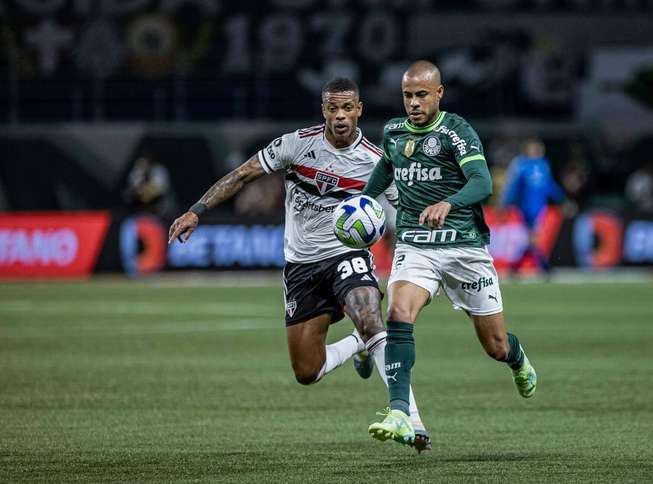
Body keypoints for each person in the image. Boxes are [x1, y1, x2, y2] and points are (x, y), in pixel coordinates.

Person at [168, 78, 432, 452]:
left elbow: (405, 214)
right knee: (307, 371)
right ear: (323, 110)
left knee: (368, 311)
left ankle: (410, 418)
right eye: (332, 108)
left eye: (347, 108)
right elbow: (243, 174)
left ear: (359, 110)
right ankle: (360, 343)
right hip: (301, 267)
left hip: (347, 254)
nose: (339, 116)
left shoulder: (376, 162)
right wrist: (197, 210)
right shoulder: (295, 144)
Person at [362, 61, 538, 446]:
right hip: (415, 243)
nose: (413, 103)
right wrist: (362, 201)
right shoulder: (393, 131)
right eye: (407, 95)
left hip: (464, 247)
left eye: (421, 95)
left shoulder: (455, 131)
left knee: (495, 346)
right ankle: (399, 413)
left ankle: (518, 358)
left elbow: (482, 182)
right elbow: (386, 169)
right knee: (398, 312)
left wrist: (448, 202)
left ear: (439, 94)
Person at [500, 137, 564, 273]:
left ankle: (518, 265)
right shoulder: (522, 165)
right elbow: (514, 186)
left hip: (540, 206)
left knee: (532, 237)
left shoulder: (544, 165)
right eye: (535, 148)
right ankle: (542, 264)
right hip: (526, 207)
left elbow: (549, 185)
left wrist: (560, 198)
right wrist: (506, 203)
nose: (538, 151)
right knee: (533, 237)